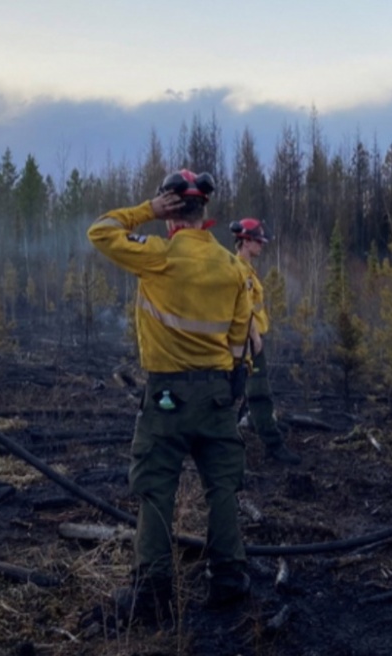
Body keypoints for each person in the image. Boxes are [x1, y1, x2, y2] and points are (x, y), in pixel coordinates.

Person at [89, 169, 254, 623]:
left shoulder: (158, 256)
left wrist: (145, 210)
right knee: (221, 488)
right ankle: (228, 579)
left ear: (171, 214)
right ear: (206, 215)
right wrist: (234, 385)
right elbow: (241, 338)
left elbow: (100, 231)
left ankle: (154, 592)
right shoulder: (232, 265)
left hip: (167, 398)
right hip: (219, 394)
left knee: (156, 489)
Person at [230, 218, 302, 466]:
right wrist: (254, 335)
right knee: (259, 393)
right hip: (248, 343)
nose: (261, 245)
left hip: (251, 340)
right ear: (246, 241)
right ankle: (274, 446)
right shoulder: (238, 269)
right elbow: (243, 308)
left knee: (245, 394)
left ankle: (253, 426)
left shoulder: (247, 268)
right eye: (258, 241)